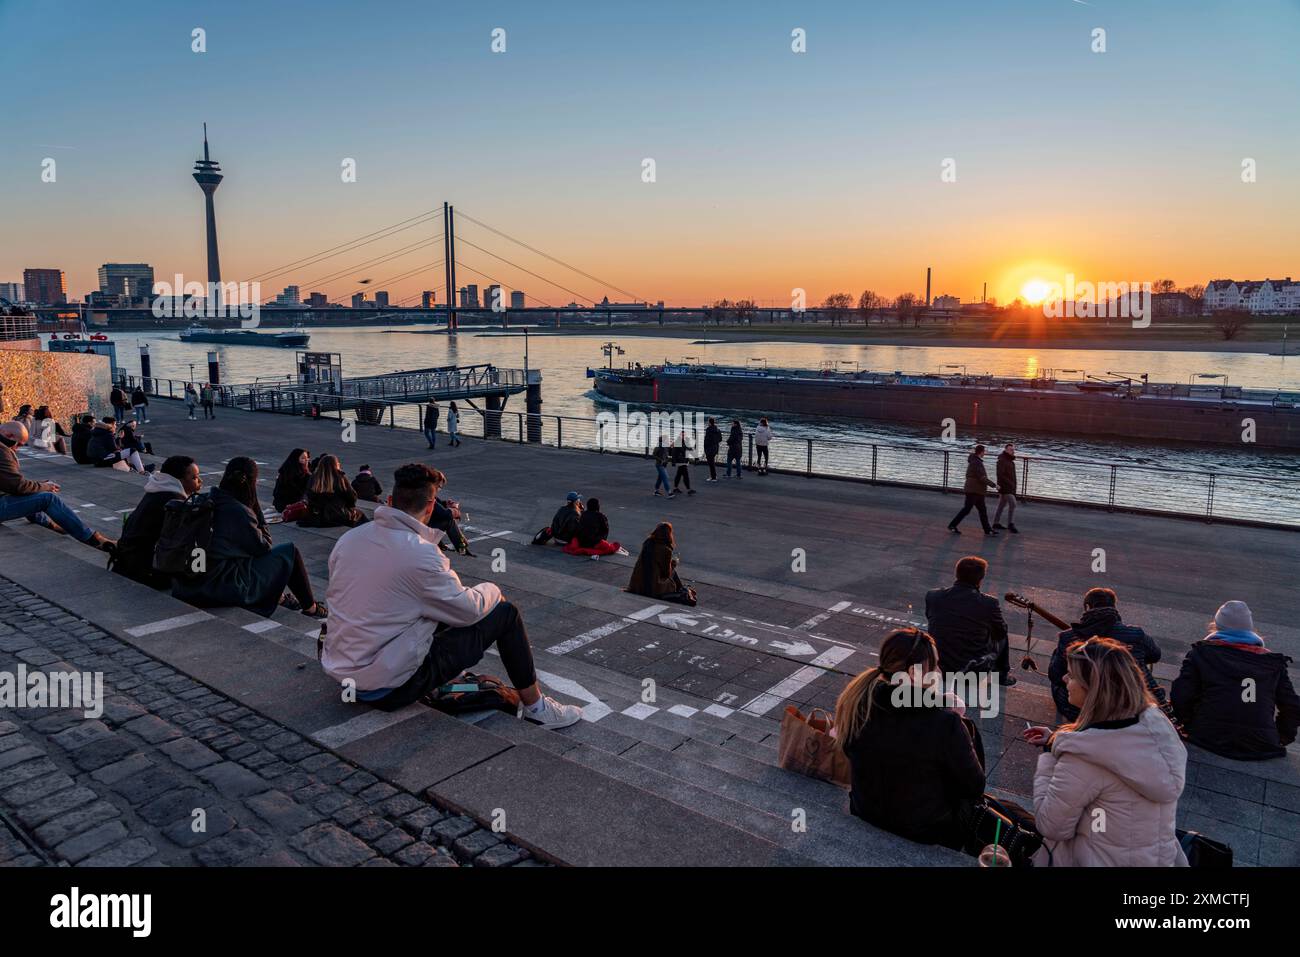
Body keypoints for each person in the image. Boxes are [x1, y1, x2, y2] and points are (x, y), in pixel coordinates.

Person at [322, 462, 581, 726]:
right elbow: (468, 611)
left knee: (429, 603)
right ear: (431, 506)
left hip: (342, 670)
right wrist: (493, 589)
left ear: (389, 500)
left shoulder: (351, 540)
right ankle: (537, 707)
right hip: (387, 686)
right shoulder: (420, 553)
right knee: (505, 614)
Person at [1022, 637, 1188, 866]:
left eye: (1071, 676)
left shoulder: (1083, 760)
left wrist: (1049, 760)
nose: (1064, 678)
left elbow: (1051, 825)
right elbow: (1114, 749)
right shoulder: (1156, 725)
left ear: (1092, 689)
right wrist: (1055, 739)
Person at [835, 628, 987, 850]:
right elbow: (974, 787)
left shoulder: (857, 704)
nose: (939, 671)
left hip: (865, 810)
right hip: (928, 829)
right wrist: (963, 731)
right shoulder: (945, 724)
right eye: (934, 666)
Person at [171, 457, 326, 619]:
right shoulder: (238, 511)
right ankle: (311, 607)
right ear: (251, 482)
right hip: (216, 586)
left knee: (249, 558)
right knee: (290, 553)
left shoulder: (206, 499)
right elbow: (264, 546)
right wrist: (254, 503)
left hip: (188, 583)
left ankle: (280, 597)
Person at [1171, 601, 1300, 761]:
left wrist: (1188, 724)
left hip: (1207, 736)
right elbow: (1293, 706)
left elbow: (1181, 695)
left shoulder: (1202, 653)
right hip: (1262, 744)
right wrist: (1281, 737)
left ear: (1217, 626)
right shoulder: (1272, 664)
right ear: (1249, 628)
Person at [0, 422, 116, 554]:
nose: (18, 449)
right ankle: (93, 539)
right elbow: (18, 487)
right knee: (48, 499)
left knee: (33, 492)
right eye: (19, 444)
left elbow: (13, 484)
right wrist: (45, 487)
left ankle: (46, 523)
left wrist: (39, 486)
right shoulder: (2, 451)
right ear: (8, 435)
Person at [1049, 588, 1163, 721]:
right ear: (1114, 606)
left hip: (1081, 709)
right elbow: (1155, 655)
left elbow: (1055, 675)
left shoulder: (1068, 637)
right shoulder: (1136, 633)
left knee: (1059, 674)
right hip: (1129, 705)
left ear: (1087, 607)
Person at [111, 456, 202, 589]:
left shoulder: (156, 492)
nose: (200, 481)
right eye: (194, 478)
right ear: (180, 481)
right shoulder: (173, 503)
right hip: (147, 572)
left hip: (127, 564)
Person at [925, 555, 1013, 686]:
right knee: (1001, 634)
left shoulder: (933, 595)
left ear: (957, 574)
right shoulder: (989, 603)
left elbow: (930, 617)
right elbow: (1000, 632)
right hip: (973, 672)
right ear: (980, 579)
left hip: (940, 667)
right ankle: (1001, 675)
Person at [626, 522, 696, 605]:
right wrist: (673, 563)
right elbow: (666, 573)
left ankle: (681, 589)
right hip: (653, 588)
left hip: (637, 585)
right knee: (673, 572)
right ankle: (681, 590)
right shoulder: (666, 549)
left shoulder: (647, 543)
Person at [300, 454, 367, 528]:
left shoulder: (314, 477)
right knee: (361, 516)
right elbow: (352, 497)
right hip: (337, 515)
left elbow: (309, 495)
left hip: (317, 516)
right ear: (336, 465)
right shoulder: (340, 477)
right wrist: (349, 507)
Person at [948, 444, 998, 536]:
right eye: (984, 451)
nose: (985, 453)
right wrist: (994, 485)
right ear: (981, 452)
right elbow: (981, 477)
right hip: (973, 491)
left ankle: (987, 530)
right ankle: (952, 525)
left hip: (977, 491)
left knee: (982, 510)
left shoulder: (975, 461)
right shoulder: (976, 462)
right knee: (967, 509)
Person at [272, 448, 311, 513]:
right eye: (303, 458)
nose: (306, 460)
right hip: (291, 506)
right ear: (296, 459)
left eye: (307, 458)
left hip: (281, 505)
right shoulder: (301, 474)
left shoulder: (285, 471)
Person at [991, 443, 1019, 533]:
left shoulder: (1010, 461)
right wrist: (1010, 484)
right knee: (1013, 503)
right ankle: (1010, 524)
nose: (1012, 451)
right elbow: (1000, 475)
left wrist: (1013, 485)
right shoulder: (1002, 460)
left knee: (1001, 505)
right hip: (1005, 487)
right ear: (1006, 450)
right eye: (1011, 449)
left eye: (1013, 449)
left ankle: (995, 523)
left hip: (1009, 487)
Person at [670, 431, 695, 496]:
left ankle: (675, 488)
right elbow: (674, 452)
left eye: (684, 435)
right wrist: (673, 461)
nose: (684, 436)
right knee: (685, 475)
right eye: (683, 435)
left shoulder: (684, 441)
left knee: (679, 474)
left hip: (683, 461)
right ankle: (689, 489)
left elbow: (688, 448)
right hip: (680, 461)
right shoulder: (678, 442)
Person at [703, 417, 722, 482]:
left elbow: (707, 440)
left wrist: (705, 448)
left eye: (708, 422)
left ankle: (713, 477)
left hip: (709, 449)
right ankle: (713, 476)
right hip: (715, 448)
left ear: (710, 423)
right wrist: (715, 442)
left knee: (711, 463)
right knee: (712, 463)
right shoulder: (718, 430)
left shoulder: (708, 430)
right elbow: (720, 439)